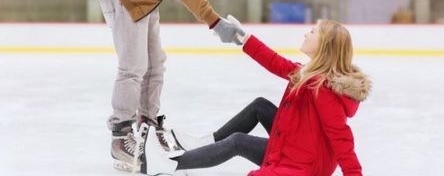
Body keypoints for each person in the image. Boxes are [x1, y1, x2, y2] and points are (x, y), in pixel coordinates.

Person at [95, 0, 241, 172]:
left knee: (156, 64)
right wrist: (214, 21)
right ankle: (121, 137)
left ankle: (146, 128)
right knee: (134, 65)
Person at [142, 17, 372, 175]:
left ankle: (169, 165)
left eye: (313, 31)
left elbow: (341, 138)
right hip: (302, 148)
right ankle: (203, 143)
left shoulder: (323, 90)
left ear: (324, 46)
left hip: (306, 166)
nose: (306, 32)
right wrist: (243, 38)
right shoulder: (308, 74)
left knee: (238, 142)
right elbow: (274, 62)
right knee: (260, 106)